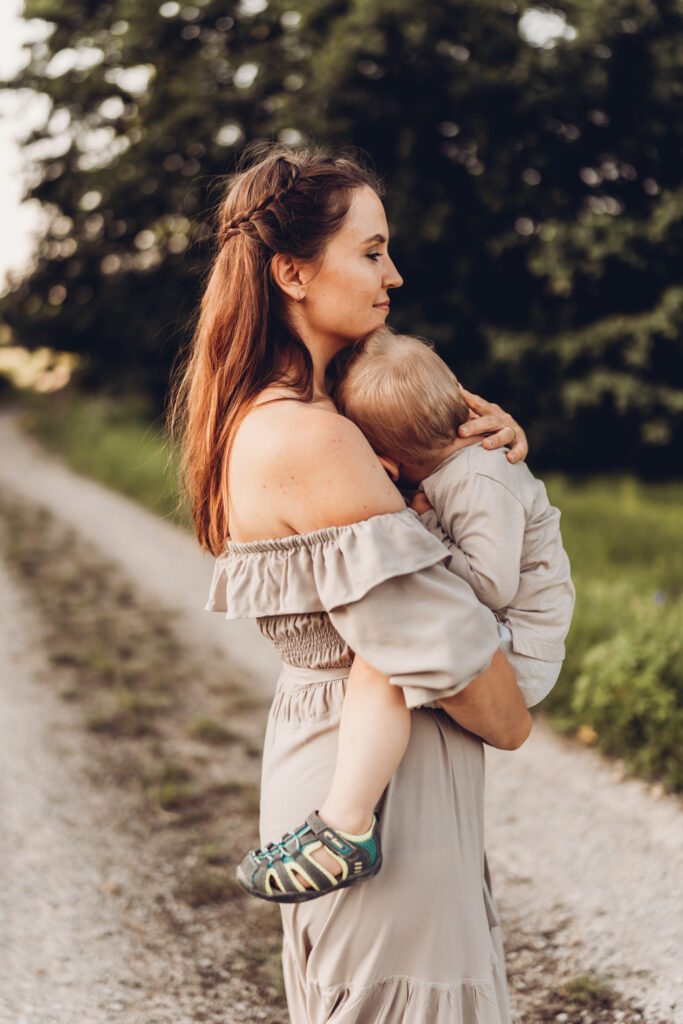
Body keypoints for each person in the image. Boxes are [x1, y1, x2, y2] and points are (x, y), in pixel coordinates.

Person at [173, 141, 532, 1023]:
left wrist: (483, 465)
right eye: (371, 251)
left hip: (348, 761)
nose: (394, 275)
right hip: (379, 792)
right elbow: (480, 690)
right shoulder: (310, 437)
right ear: (292, 273)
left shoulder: (308, 417)